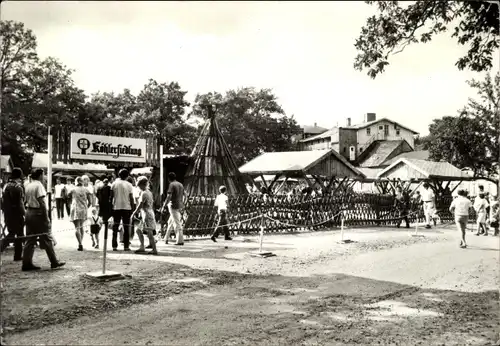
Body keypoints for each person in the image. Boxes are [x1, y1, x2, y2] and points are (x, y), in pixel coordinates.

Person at [22, 169, 65, 271]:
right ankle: (54, 262)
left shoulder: (28, 185)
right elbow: (42, 202)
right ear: (40, 175)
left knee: (30, 239)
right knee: (47, 237)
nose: (44, 176)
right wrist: (46, 217)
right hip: (38, 213)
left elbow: (24, 201)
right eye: (43, 174)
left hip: (29, 212)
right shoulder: (39, 185)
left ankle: (26, 263)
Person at [1, 168, 26, 261]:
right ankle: (17, 255)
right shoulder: (17, 187)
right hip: (16, 214)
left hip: (7, 213)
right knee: (17, 234)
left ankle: (18, 255)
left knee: (13, 232)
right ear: (19, 176)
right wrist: (25, 213)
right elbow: (20, 203)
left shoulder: (6, 186)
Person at [131, 176, 158, 255]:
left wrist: (134, 213)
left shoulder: (144, 193)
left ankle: (154, 249)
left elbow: (140, 205)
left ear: (142, 185)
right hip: (147, 213)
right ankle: (142, 246)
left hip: (147, 214)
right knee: (139, 230)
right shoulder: (149, 192)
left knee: (149, 233)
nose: (138, 187)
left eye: (139, 185)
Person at [111, 169, 135, 251]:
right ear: (127, 176)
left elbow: (111, 197)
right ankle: (126, 246)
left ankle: (114, 245)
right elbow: (131, 198)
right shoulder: (129, 185)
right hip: (126, 207)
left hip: (116, 207)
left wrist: (111, 207)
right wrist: (132, 208)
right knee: (126, 227)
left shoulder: (114, 184)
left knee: (115, 227)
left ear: (119, 175)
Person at [161, 172, 185, 246]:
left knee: (176, 223)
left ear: (168, 179)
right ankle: (166, 238)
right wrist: (183, 203)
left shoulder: (171, 185)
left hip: (173, 205)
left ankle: (180, 240)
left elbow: (169, 196)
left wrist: (164, 205)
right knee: (170, 222)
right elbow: (185, 195)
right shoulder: (180, 184)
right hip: (179, 205)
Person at [70, 176, 93, 251]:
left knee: (77, 227)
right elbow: (90, 202)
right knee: (81, 226)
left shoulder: (73, 189)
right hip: (83, 209)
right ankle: (81, 243)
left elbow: (66, 196)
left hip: (75, 208)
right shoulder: (86, 190)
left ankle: (80, 244)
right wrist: (86, 206)